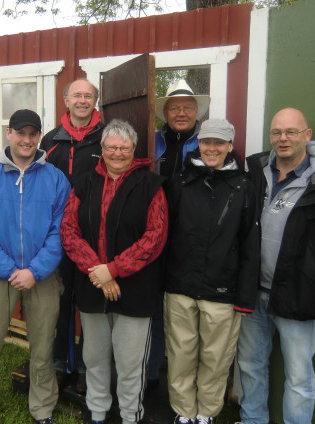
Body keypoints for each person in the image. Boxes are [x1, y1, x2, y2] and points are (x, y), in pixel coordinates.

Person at [236, 108, 315, 424]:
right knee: (251, 366)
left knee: (299, 378)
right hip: (253, 295)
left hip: (299, 296)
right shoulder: (255, 172)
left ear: (307, 135)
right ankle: (253, 420)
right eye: (277, 132)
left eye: (291, 132)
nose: (283, 139)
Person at [0, 109, 71, 424]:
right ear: (8, 134)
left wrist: (34, 271)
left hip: (42, 276)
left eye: (32, 134)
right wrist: (10, 271)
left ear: (39, 137)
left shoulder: (55, 179)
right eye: (20, 133)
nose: (26, 139)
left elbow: (60, 231)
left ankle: (42, 409)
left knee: (42, 348)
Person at [61, 119, 169, 424]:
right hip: (93, 286)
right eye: (111, 147)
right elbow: (69, 230)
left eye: (124, 147)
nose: (117, 153)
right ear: (102, 149)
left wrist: (114, 269)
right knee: (94, 358)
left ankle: (130, 416)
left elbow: (155, 236)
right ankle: (97, 412)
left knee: (130, 363)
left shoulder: (150, 185)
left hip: (136, 290)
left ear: (134, 150)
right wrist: (99, 272)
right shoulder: (84, 183)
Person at [163, 119, 260, 424]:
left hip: (222, 291)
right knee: (180, 356)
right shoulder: (180, 182)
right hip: (180, 287)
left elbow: (250, 243)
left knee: (215, 359)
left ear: (230, 146)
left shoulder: (244, 186)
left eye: (219, 143)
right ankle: (184, 411)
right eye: (207, 142)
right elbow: (165, 235)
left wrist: (245, 297)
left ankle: (206, 413)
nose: (212, 149)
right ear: (199, 144)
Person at [40, 78, 104, 393]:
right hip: (57, 236)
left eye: (87, 95)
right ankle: (59, 364)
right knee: (61, 301)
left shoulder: (107, 137)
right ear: (66, 100)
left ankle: (85, 369)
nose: (81, 100)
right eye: (76, 95)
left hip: (95, 237)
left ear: (95, 100)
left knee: (91, 304)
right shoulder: (51, 140)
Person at [148, 78, 211, 388]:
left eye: (188, 107)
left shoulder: (208, 144)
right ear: (165, 112)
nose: (182, 113)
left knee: (187, 317)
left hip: (193, 242)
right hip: (155, 240)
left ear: (197, 110)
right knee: (156, 309)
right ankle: (152, 375)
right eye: (175, 108)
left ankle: (187, 382)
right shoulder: (153, 142)